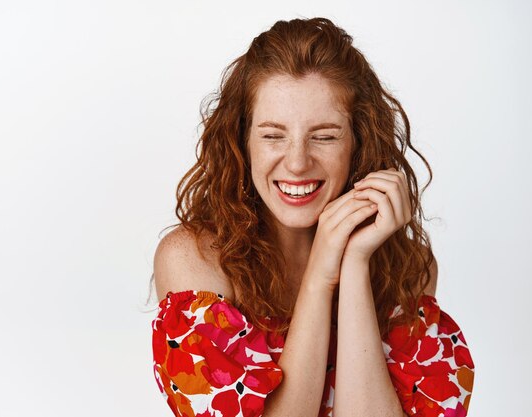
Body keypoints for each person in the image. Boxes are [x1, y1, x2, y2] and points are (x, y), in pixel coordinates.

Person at [150, 17, 475, 417]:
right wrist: (321, 274)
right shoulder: (194, 261)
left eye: (324, 136)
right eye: (273, 135)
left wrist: (354, 262)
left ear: (359, 142)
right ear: (241, 142)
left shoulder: (409, 269)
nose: (298, 162)